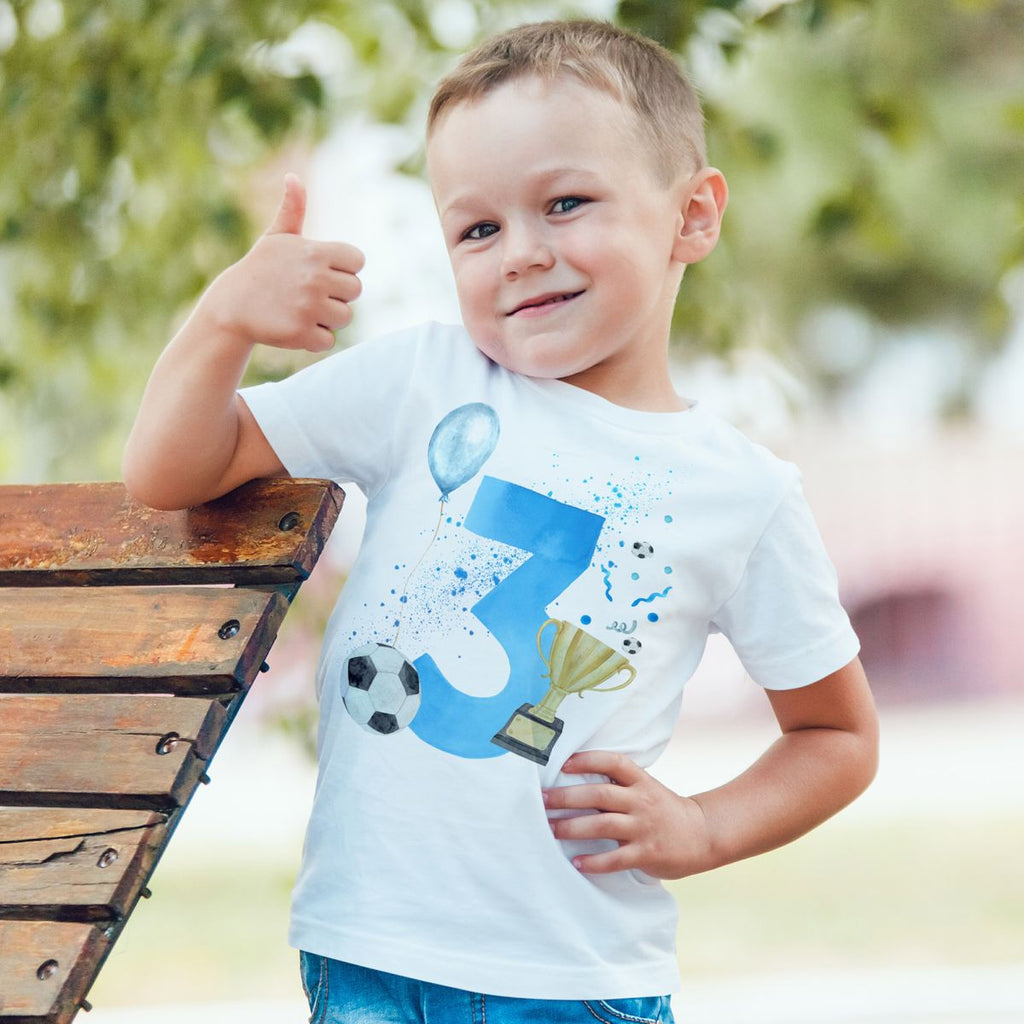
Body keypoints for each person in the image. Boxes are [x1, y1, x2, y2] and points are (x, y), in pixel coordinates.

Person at [123, 19, 878, 1024]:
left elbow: (835, 734)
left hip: (572, 979)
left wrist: (700, 827)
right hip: (367, 956)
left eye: (564, 203)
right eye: (476, 230)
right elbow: (171, 470)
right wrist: (224, 318)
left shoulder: (740, 491)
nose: (520, 254)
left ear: (691, 216)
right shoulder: (422, 380)